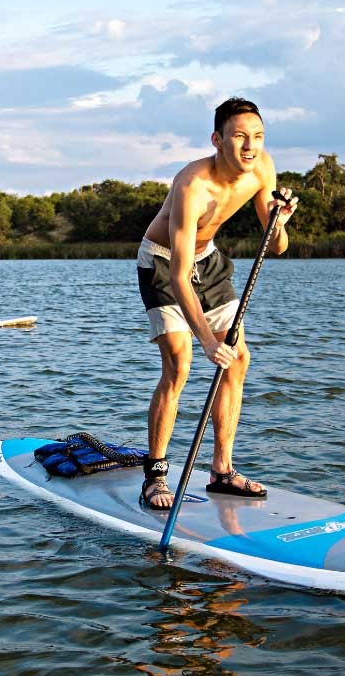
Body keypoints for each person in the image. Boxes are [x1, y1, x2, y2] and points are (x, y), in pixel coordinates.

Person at [135, 97, 297, 511]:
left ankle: (221, 471)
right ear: (217, 140)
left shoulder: (262, 168)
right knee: (180, 362)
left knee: (238, 358)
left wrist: (279, 221)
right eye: (240, 137)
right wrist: (207, 341)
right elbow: (176, 275)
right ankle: (155, 476)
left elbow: (276, 246)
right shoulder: (192, 185)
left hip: (207, 262)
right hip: (163, 261)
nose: (250, 147)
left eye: (258, 137)